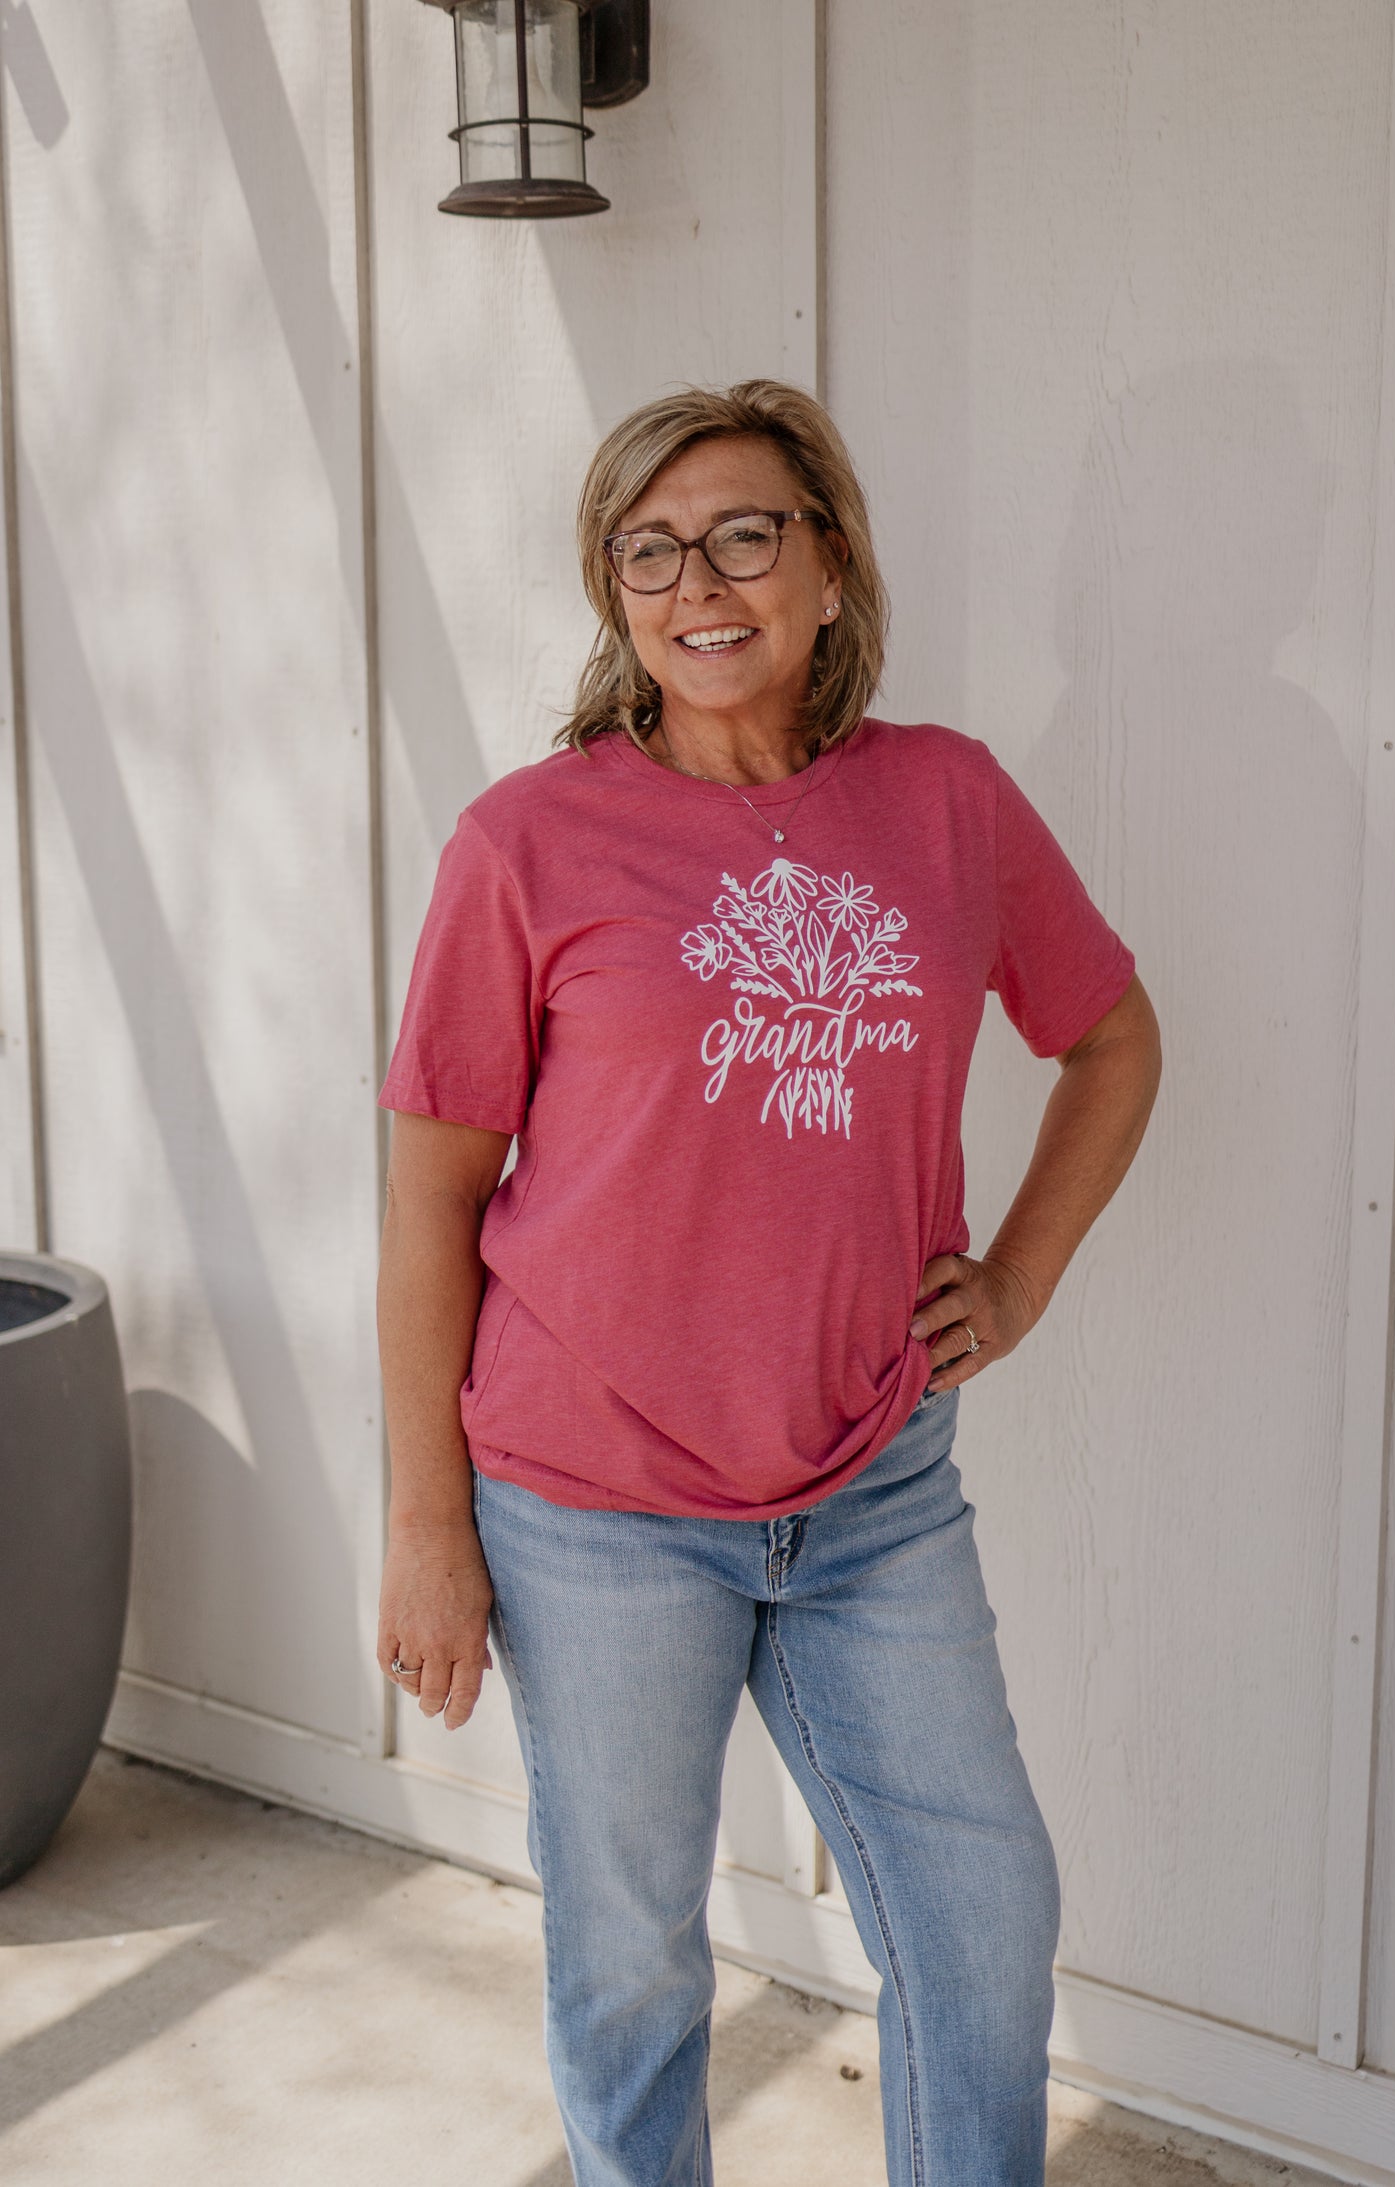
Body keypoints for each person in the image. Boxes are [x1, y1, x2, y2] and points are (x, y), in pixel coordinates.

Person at [374, 378, 1161, 2187]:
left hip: (873, 1483)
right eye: (645, 548)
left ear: (826, 569)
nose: (695, 579)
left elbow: (1107, 1038)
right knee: (631, 1957)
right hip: (592, 1502)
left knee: (979, 1922)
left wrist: (1018, 1274)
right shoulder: (527, 844)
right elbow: (432, 1195)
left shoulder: (946, 802)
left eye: (742, 532)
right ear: (612, 592)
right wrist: (429, 1523)